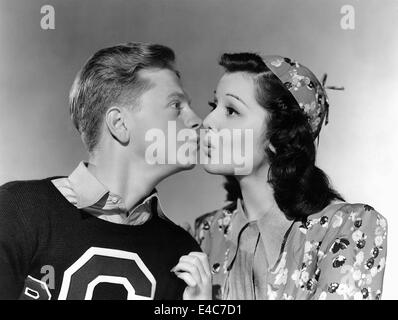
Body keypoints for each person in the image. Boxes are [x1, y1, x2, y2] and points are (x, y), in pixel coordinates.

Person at [0, 42, 211, 300]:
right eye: (176, 106)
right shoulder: (19, 210)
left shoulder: (182, 253)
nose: (197, 120)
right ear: (119, 124)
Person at [195, 53, 387, 300]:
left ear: (279, 136)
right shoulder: (208, 231)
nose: (208, 121)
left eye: (231, 110)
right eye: (214, 106)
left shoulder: (347, 227)